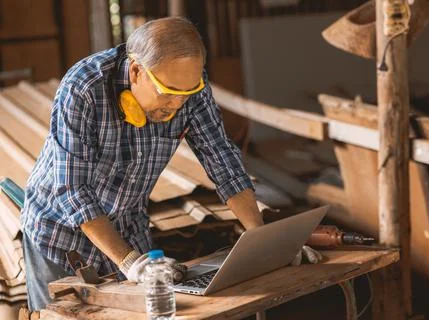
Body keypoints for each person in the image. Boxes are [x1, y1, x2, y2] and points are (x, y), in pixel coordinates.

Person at [21, 17, 321, 311]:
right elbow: (72, 189)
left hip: (128, 226)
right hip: (59, 237)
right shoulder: (84, 87)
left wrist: (264, 241)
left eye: (185, 95)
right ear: (137, 71)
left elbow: (222, 160)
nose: (177, 105)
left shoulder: (190, 89)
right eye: (168, 94)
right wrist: (131, 263)